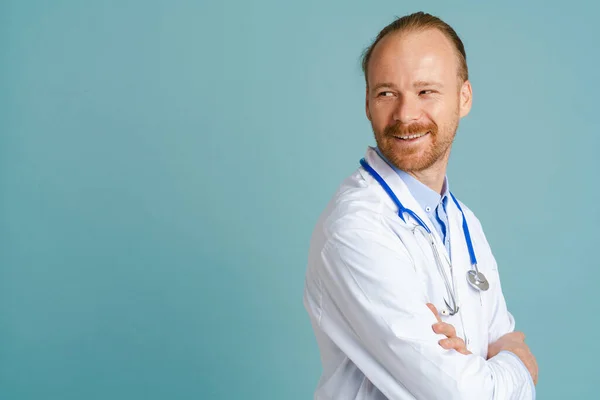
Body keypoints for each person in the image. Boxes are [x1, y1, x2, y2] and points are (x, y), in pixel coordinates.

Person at [303, 11, 538, 400]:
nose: (406, 114)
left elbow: (487, 363)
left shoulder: (465, 224)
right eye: (386, 93)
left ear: (464, 98)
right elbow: (466, 394)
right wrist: (516, 365)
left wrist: (475, 367)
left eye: (426, 91)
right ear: (367, 103)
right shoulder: (355, 230)